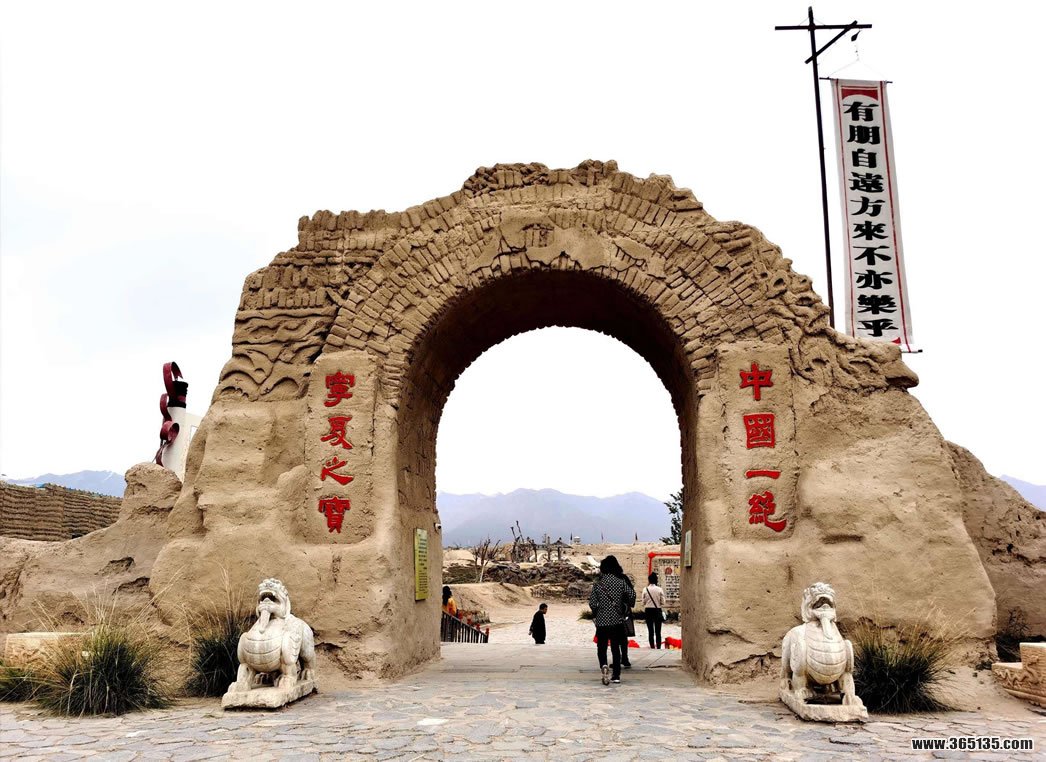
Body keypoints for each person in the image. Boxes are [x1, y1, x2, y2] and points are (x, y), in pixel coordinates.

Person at [588, 555, 636, 685]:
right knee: (615, 647)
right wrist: (625, 605)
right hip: (617, 620)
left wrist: (597, 612)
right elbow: (632, 595)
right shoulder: (621, 582)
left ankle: (603, 665)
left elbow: (592, 603)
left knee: (601, 646)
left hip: (602, 621)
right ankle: (616, 676)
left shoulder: (598, 584)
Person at [642, 572, 667, 649]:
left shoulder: (645, 589)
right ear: (656, 580)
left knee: (650, 631)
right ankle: (658, 647)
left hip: (648, 611)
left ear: (649, 580)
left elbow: (643, 602)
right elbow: (663, 602)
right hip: (657, 610)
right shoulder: (659, 589)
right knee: (658, 631)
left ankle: (652, 646)